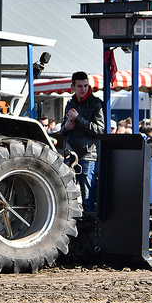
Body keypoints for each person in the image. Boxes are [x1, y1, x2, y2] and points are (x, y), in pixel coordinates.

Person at [61, 71, 104, 213]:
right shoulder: (70, 103)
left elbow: (100, 130)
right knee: (66, 190)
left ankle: (88, 224)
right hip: (71, 154)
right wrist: (66, 127)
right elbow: (63, 129)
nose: (83, 89)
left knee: (87, 196)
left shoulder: (96, 103)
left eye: (85, 85)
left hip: (88, 154)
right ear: (72, 86)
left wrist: (78, 118)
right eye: (80, 86)